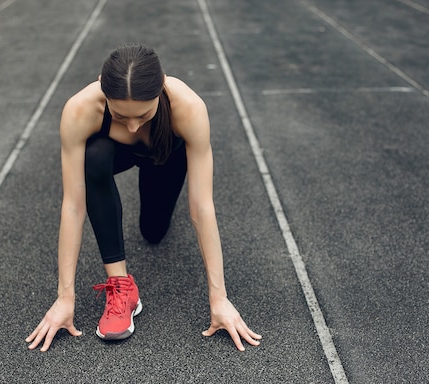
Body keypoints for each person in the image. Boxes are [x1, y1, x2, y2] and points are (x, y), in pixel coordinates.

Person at [26, 44, 261, 352]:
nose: (134, 125)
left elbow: (202, 206)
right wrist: (64, 297)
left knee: (153, 232)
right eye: (121, 115)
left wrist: (219, 298)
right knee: (93, 158)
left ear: (161, 87)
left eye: (143, 114)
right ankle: (122, 286)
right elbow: (73, 205)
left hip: (164, 156)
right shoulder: (80, 110)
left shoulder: (188, 108)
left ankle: (157, 198)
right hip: (112, 154)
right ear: (102, 87)